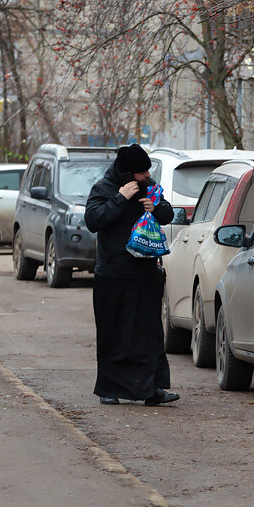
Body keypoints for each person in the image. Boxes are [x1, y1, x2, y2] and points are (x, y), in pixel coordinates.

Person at [84, 143, 178, 406]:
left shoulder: (149, 186)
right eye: (142, 172)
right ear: (127, 173)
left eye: (148, 171)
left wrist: (155, 208)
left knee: (149, 333)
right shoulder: (104, 189)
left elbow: (167, 213)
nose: (147, 176)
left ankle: (151, 389)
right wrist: (120, 198)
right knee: (113, 333)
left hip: (145, 272)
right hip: (113, 275)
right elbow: (93, 221)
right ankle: (109, 388)